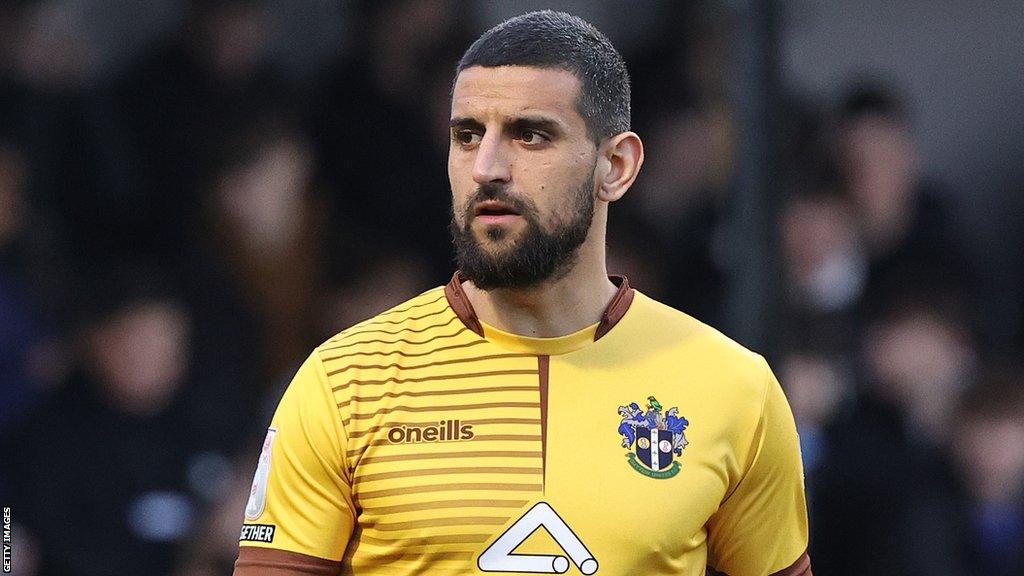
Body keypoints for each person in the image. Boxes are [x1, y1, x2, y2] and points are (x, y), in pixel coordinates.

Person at [234, 11, 811, 576]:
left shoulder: (736, 389)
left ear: (615, 166)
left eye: (530, 135)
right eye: (466, 136)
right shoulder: (344, 383)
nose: (487, 167)